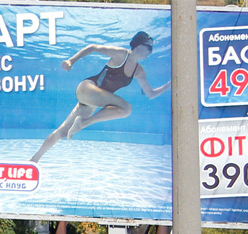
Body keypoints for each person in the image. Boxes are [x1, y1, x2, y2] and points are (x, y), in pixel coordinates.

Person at [30, 31, 170, 163]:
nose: (150, 52)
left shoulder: (138, 71)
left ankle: (34, 160)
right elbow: (93, 47)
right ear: (139, 45)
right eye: (149, 48)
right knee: (126, 108)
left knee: (62, 131)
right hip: (87, 89)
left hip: (93, 102)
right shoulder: (121, 54)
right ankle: (83, 123)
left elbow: (150, 94)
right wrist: (71, 61)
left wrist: (170, 84)